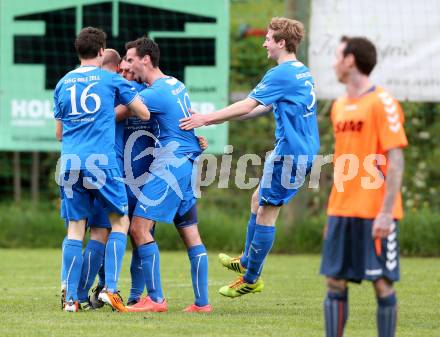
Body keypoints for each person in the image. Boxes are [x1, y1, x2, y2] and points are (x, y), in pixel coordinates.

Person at [180, 17, 320, 297]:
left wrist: (207, 118)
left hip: (291, 154)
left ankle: (251, 278)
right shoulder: (300, 71)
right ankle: (246, 260)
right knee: (257, 199)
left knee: (267, 211)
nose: (264, 42)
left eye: (269, 38)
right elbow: (262, 107)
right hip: (296, 150)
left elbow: (248, 103)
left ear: (282, 43)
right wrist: (225, 119)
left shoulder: (280, 74)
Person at [54, 27, 149, 312]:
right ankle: (111, 289)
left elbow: (59, 134)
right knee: (119, 221)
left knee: (75, 228)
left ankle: (71, 299)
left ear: (78, 51)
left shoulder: (62, 83)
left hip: (70, 161)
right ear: (100, 51)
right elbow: (143, 112)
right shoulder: (110, 80)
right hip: (101, 163)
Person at [320, 36, 407, 337]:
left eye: (337, 56)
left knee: (382, 282)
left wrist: (386, 213)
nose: (334, 62)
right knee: (334, 281)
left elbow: (396, 160)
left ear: (350, 60)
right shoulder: (339, 106)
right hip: (342, 209)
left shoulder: (383, 103)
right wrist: (332, 212)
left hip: (375, 212)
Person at [123, 36, 212, 313]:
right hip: (188, 163)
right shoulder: (176, 84)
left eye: (131, 59)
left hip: (171, 164)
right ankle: (202, 303)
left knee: (138, 228)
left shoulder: (153, 93)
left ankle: (156, 299)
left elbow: (119, 113)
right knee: (190, 234)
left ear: (145, 59)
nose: (129, 65)